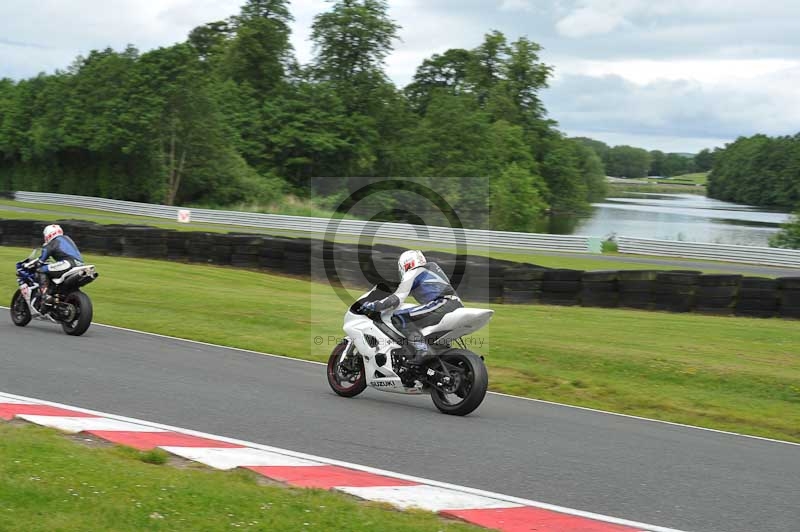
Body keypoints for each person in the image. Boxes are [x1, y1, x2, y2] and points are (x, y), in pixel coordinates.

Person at [359, 250, 462, 364]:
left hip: (443, 303)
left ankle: (423, 349)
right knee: (420, 321)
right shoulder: (432, 267)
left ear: (406, 264)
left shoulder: (413, 272)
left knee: (399, 317)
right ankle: (439, 351)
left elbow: (397, 298)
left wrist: (375, 305)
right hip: (455, 304)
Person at [35, 224, 84, 310]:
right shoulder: (67, 239)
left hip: (68, 263)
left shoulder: (52, 243)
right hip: (80, 264)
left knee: (41, 270)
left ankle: (45, 295)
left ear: (48, 234)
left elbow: (42, 260)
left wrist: (38, 263)